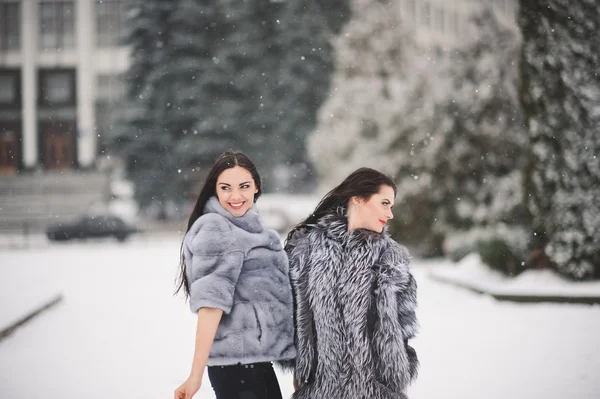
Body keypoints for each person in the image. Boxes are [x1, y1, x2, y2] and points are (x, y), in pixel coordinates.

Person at [285, 167, 419, 399]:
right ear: (358, 199)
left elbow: (403, 329)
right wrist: (303, 376)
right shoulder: (306, 249)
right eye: (384, 203)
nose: (390, 214)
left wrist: (393, 377)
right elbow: (293, 321)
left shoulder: (392, 258)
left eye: (391, 206)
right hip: (319, 392)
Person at [174, 151, 296, 399]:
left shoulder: (252, 231)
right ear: (215, 191)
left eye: (244, 186)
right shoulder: (217, 229)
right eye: (226, 188)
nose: (235, 196)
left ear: (256, 188)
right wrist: (195, 375)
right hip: (235, 367)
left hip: (256, 364)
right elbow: (211, 306)